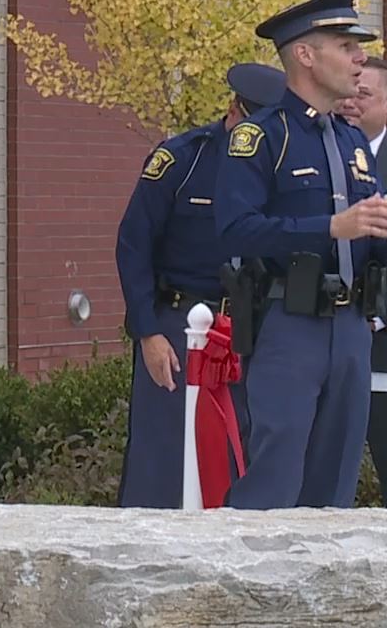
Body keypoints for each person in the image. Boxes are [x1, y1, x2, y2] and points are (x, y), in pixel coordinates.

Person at [215, 0, 387, 509]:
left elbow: (370, 234)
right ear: (306, 56)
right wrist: (329, 227)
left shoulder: (352, 140)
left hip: (354, 327)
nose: (360, 59)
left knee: (334, 489)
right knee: (275, 483)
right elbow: (234, 230)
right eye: (345, 45)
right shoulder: (262, 137)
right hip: (291, 326)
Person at [115, 62, 285, 508]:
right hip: (176, 325)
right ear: (234, 111)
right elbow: (133, 247)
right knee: (164, 455)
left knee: (239, 449)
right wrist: (147, 331)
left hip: (247, 326)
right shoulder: (180, 159)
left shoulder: (275, 167)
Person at [349, 57, 387, 506]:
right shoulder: (337, 153)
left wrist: (375, 317)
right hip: (333, 339)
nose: (353, 103)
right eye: (351, 93)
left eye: (365, 95)